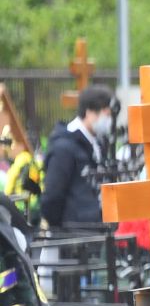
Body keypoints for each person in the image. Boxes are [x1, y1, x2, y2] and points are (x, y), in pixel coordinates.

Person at [40, 85, 114, 228]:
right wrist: (61, 228)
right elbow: (53, 195)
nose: (108, 119)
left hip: (95, 229)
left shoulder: (96, 143)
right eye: (106, 114)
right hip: (74, 234)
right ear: (89, 112)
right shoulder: (64, 147)